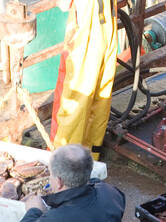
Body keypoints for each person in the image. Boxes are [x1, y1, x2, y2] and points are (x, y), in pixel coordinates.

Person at [51, 0, 118, 157]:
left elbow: (63, 4)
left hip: (87, 32)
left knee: (76, 98)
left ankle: (65, 162)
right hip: (107, 21)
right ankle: (90, 159)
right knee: (101, 96)